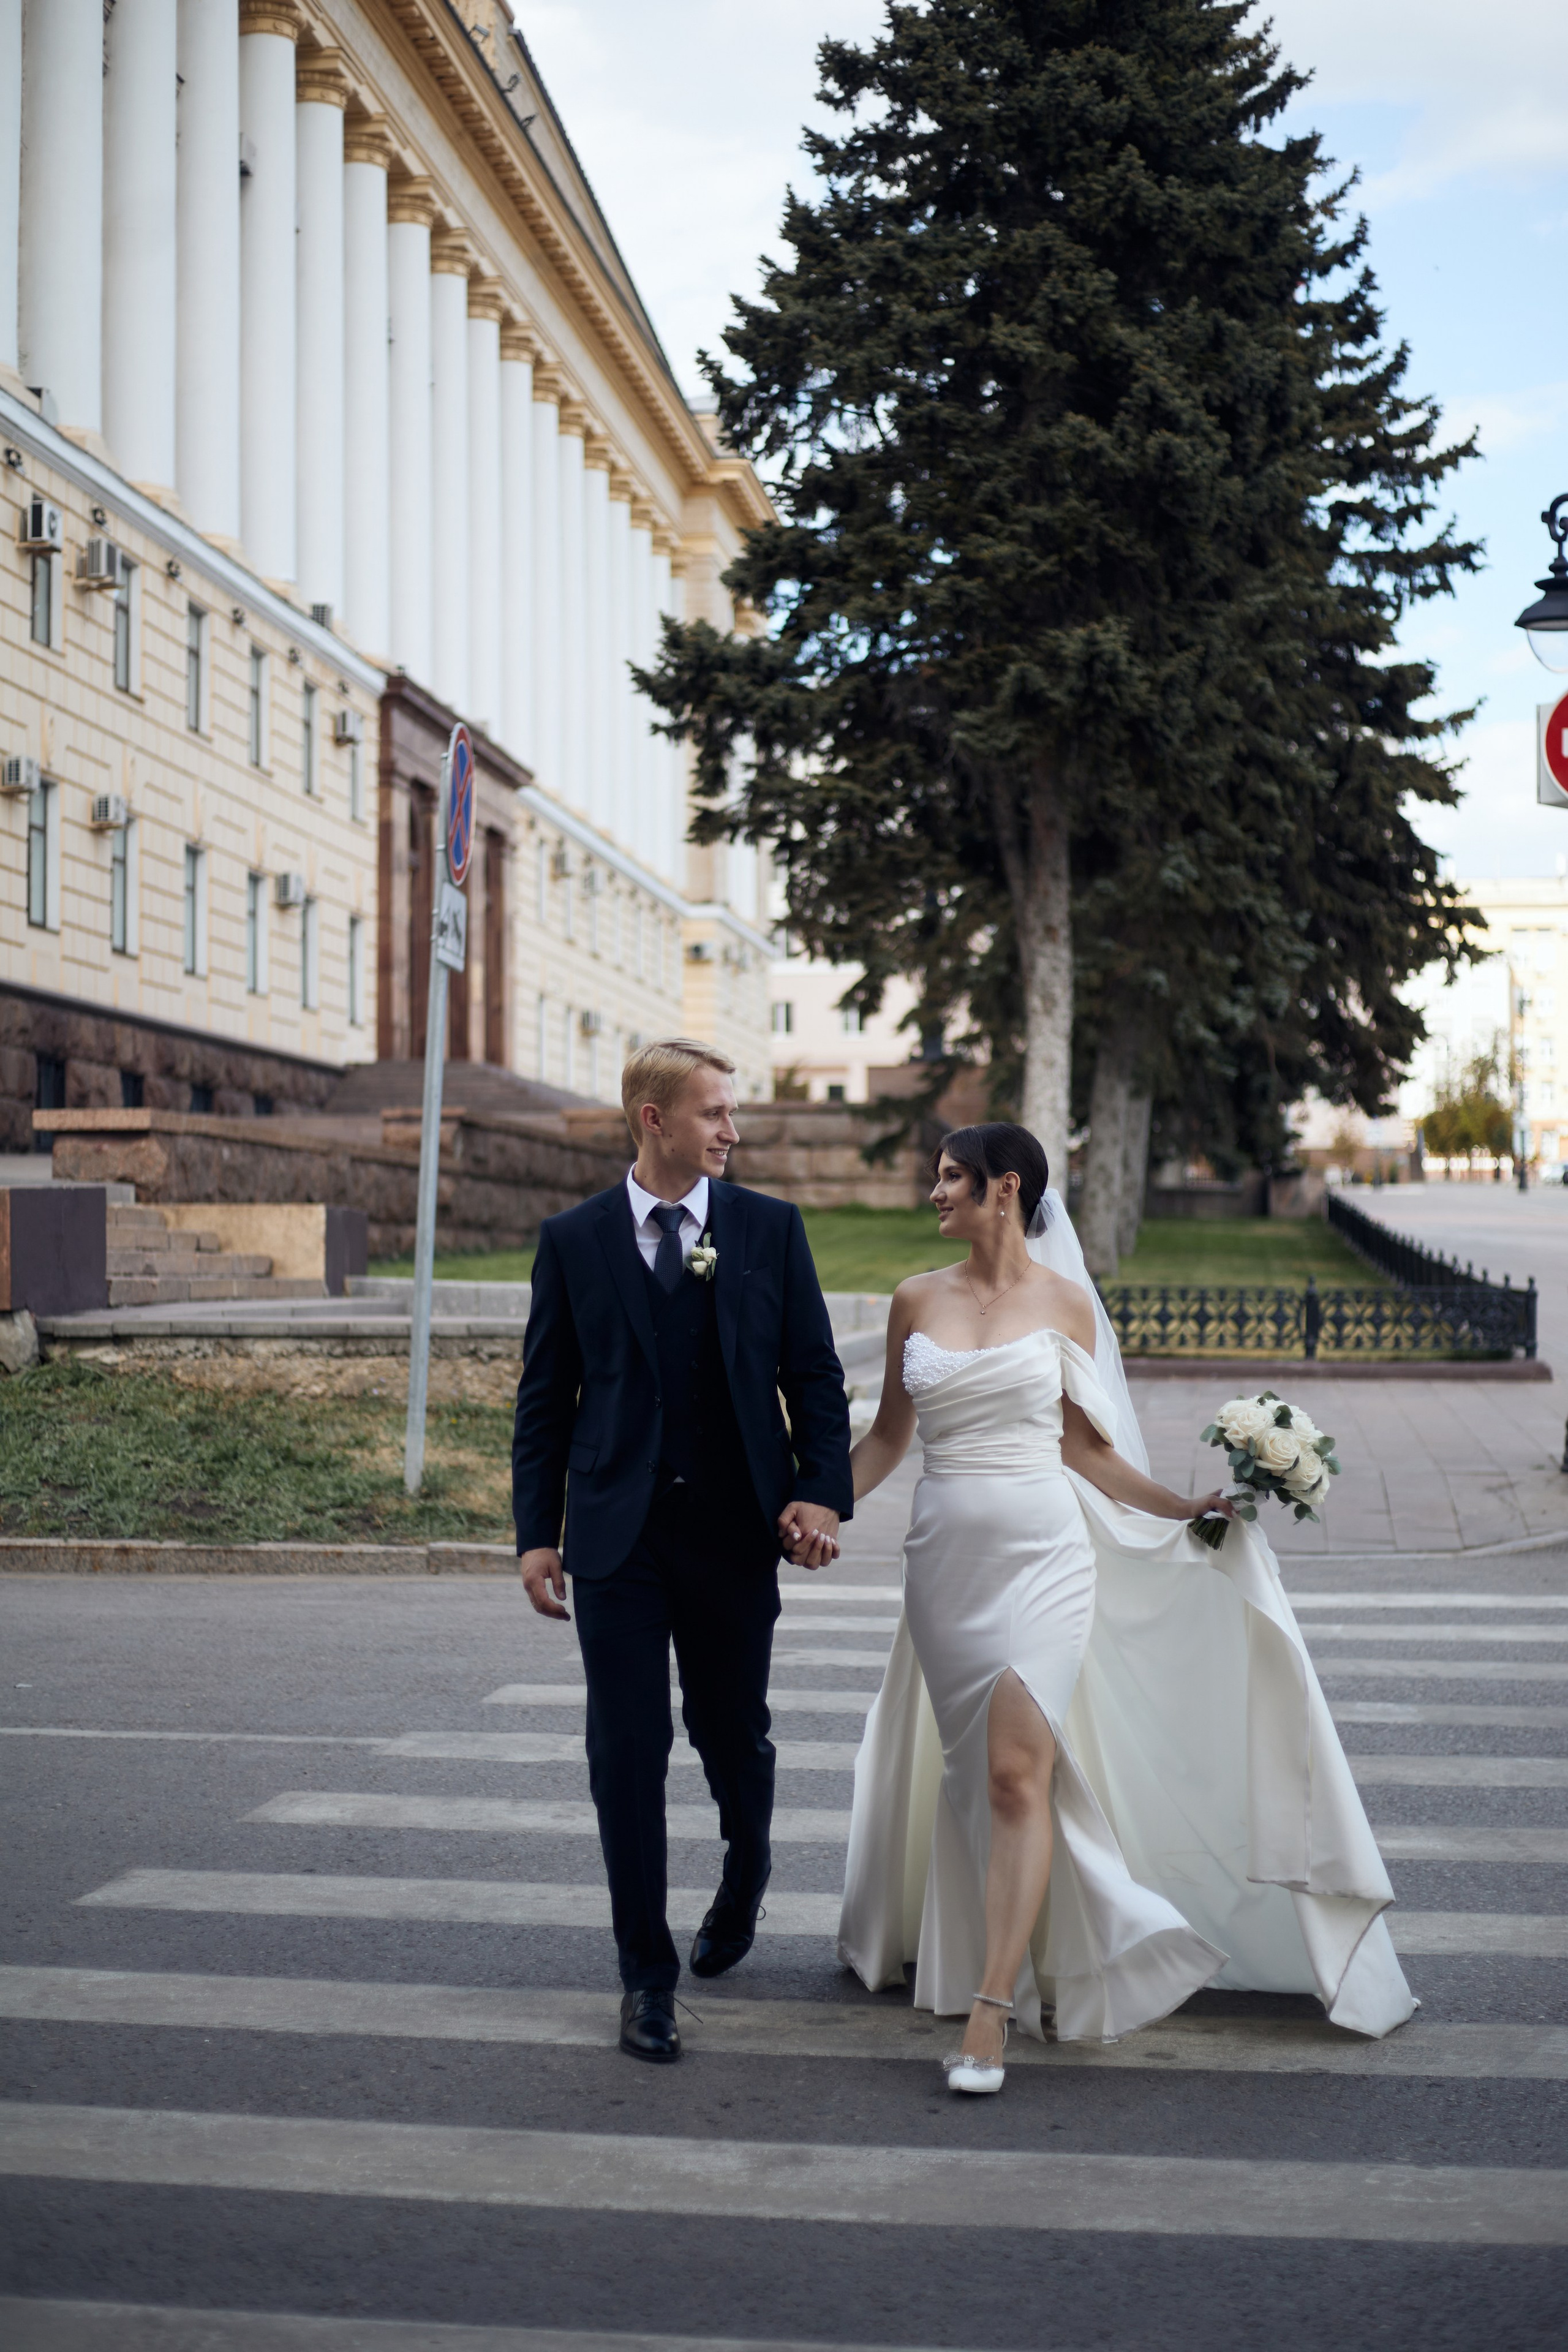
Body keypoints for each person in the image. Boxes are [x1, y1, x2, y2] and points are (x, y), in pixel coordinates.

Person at [839, 1121, 1416, 2093]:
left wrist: (1185, 1506)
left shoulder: (1066, 1305)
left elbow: (1089, 1452)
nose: (933, 1194)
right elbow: (889, 1440)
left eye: (950, 1179)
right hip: (945, 1568)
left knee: (1022, 1775)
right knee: (980, 1777)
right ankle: (1016, 1951)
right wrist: (810, 1501)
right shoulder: (914, 1301)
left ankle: (989, 2012)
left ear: (1005, 1188)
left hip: (1046, 1561)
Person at [513, 1039, 854, 2064]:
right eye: (714, 1113)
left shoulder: (767, 1230)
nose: (732, 1131)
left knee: (728, 1733)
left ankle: (747, 1864)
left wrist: (818, 1493)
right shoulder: (572, 1240)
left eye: (732, 1113)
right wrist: (537, 1535)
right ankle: (645, 1977)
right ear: (653, 1119)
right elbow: (545, 1401)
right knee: (624, 1752)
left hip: (732, 1531)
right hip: (617, 1538)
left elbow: (818, 1380)